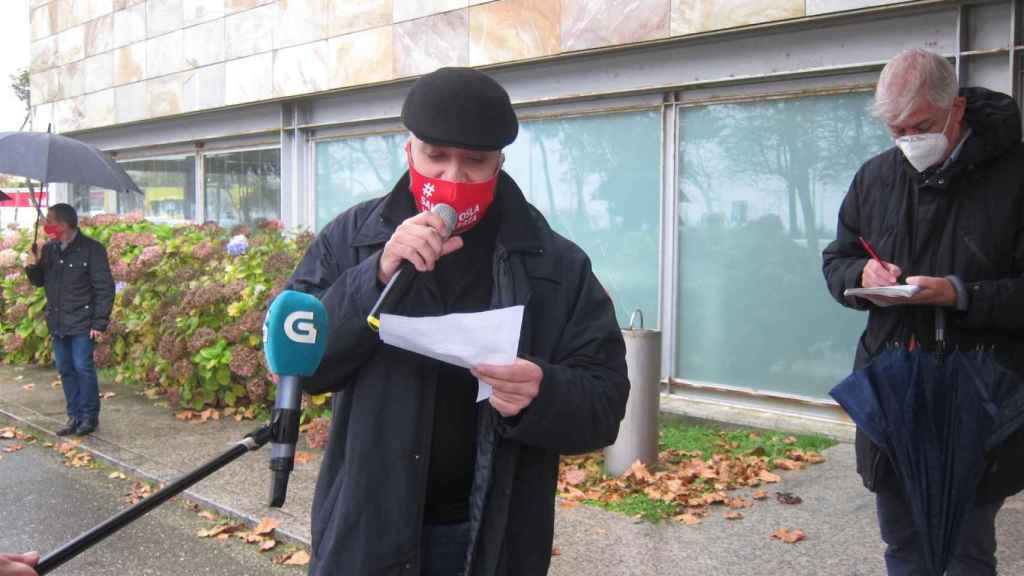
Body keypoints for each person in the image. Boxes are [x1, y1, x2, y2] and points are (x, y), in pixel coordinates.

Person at [288, 67, 630, 576]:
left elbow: (604, 403)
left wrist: (543, 393)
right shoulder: (351, 239)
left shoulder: (554, 263)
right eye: (436, 156)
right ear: (409, 151)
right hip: (364, 530)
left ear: (499, 163)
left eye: (474, 161)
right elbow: (300, 364)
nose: (452, 178)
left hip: (491, 538)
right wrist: (373, 273)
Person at [823, 48, 1024, 575]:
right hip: (892, 385)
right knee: (903, 544)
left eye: (922, 125)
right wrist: (859, 277)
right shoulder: (874, 178)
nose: (909, 139)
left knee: (965, 552)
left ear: (956, 108)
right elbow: (838, 258)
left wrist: (960, 294)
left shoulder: (1015, 177)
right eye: (896, 129)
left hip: (978, 390)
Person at [24, 203, 114, 437]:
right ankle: (73, 415)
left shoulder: (92, 249)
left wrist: (99, 322)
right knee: (65, 369)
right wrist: (33, 262)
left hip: (83, 321)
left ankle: (89, 417)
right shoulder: (51, 249)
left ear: (63, 224)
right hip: (58, 321)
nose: (47, 225)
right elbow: (40, 281)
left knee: (83, 368)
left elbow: (104, 288)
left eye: (50, 221)